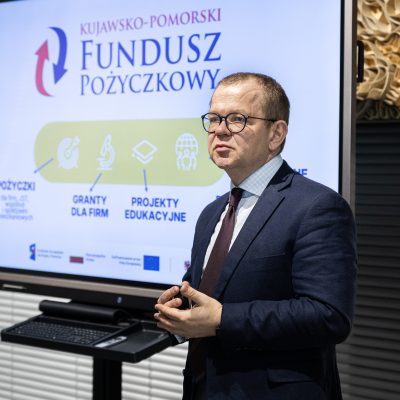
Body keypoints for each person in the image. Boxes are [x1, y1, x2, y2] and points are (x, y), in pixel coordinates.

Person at [154, 72, 357, 400]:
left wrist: (222, 319)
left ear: (276, 134)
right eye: (214, 118)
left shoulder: (317, 207)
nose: (220, 130)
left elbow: (329, 316)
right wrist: (179, 311)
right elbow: (211, 294)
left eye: (238, 119)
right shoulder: (211, 214)